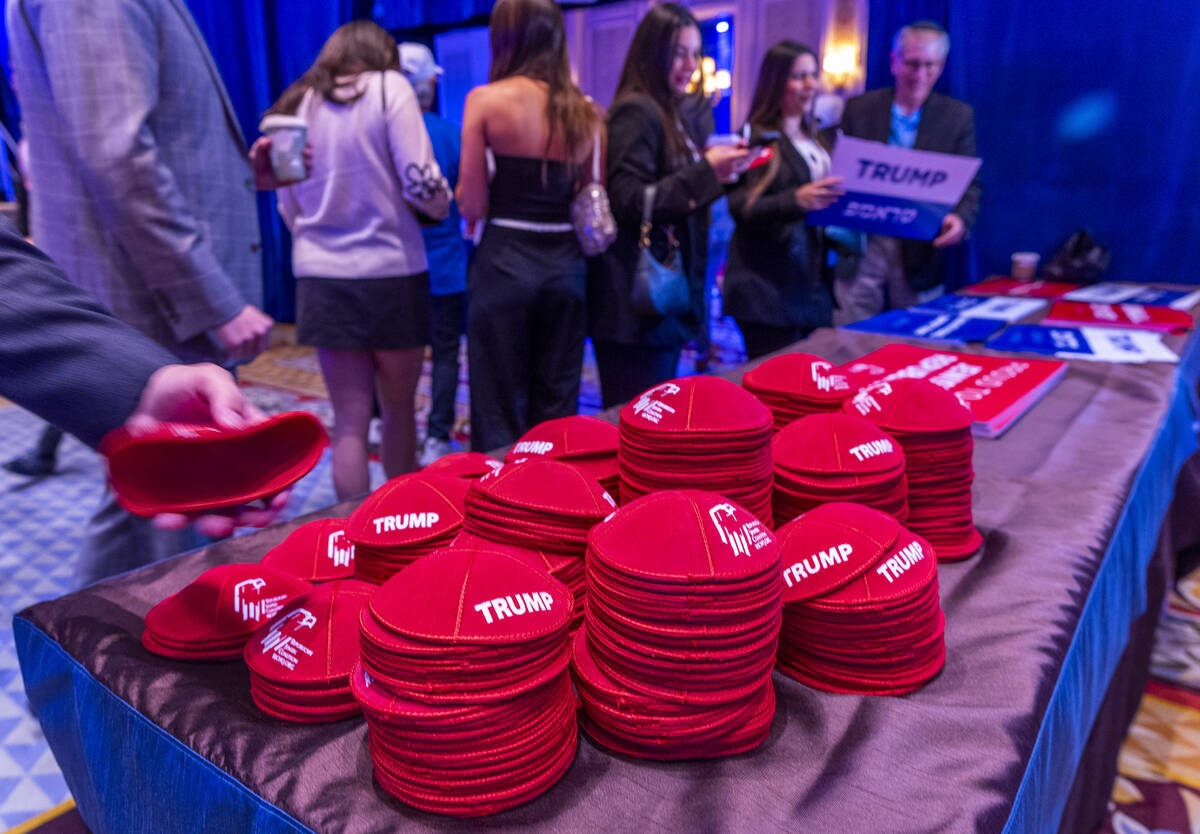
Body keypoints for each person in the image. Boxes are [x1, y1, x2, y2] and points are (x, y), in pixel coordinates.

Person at [8, 0, 289, 585]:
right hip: (149, 291)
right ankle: (94, 664)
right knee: (150, 507)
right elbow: (116, 156)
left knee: (166, 499)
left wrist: (243, 174)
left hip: (148, 300)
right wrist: (215, 297)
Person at [0, 221, 287, 545]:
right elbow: (139, 195)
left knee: (171, 488)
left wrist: (143, 382)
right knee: (145, 517)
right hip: (151, 295)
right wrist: (219, 305)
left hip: (142, 344)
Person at [271, 22, 450, 501]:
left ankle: (353, 534)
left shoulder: (301, 101)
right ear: (382, 55)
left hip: (322, 278)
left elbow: (287, 205)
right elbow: (420, 181)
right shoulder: (391, 87)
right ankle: (398, 532)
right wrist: (441, 204)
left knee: (349, 423)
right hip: (392, 272)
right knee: (398, 411)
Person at [588, 2, 750, 408]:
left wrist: (720, 174)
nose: (690, 65)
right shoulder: (637, 109)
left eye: (696, 54)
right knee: (633, 423)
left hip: (658, 302)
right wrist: (707, 173)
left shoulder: (669, 111)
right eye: (679, 52)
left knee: (649, 418)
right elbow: (626, 199)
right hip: (636, 304)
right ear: (651, 52)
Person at [457, 0, 600, 452]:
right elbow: (590, 198)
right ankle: (552, 506)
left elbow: (473, 203)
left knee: (496, 405)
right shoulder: (588, 112)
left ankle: (499, 510)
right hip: (567, 270)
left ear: (504, 37)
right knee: (557, 404)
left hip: (504, 264)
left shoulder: (484, 101)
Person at [831, 20, 981, 323]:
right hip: (863, 244)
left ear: (941, 66)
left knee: (915, 335)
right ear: (894, 62)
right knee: (849, 331)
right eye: (912, 64)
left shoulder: (956, 116)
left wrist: (960, 220)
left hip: (919, 248)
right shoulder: (860, 109)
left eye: (930, 65)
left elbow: (971, 185)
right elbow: (838, 170)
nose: (920, 74)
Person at [724, 40, 844, 359]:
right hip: (767, 289)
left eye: (812, 75)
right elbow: (740, 207)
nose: (809, 85)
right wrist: (796, 200)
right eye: (798, 76)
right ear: (777, 82)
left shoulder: (818, 138)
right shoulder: (755, 138)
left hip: (812, 284)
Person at [398, 42, 469, 468]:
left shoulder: (384, 135)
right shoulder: (449, 134)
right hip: (445, 267)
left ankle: (387, 424)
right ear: (430, 84)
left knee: (394, 355)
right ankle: (437, 435)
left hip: (396, 267)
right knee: (445, 353)